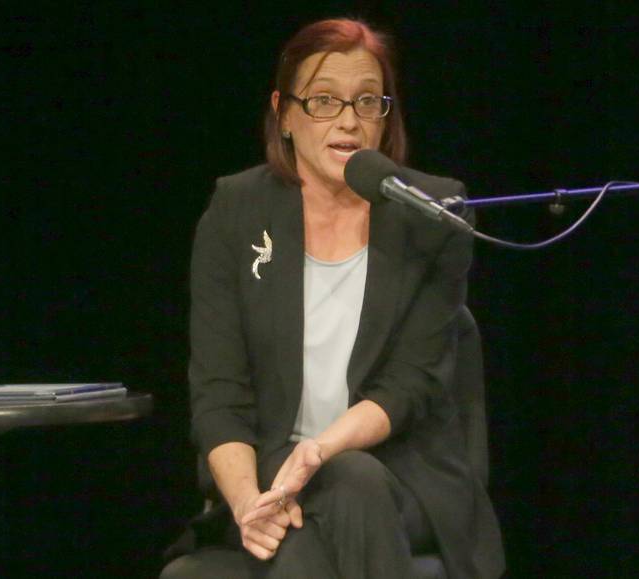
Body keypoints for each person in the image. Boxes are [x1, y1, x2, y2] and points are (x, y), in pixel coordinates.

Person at [165, 17, 505, 579]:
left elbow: (408, 387)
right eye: (324, 101)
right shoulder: (235, 211)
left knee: (350, 480)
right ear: (285, 113)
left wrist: (320, 451)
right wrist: (250, 505)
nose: (348, 121)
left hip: (403, 478)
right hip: (271, 473)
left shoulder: (433, 211)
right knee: (300, 544)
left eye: (367, 101)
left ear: (385, 115)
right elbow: (219, 392)